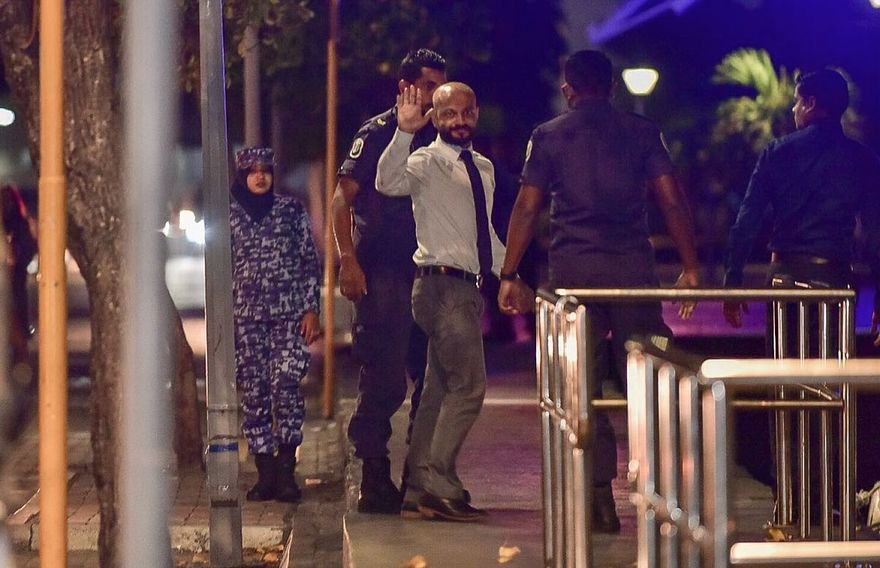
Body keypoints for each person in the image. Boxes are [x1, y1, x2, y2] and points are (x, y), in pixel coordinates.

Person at [497, 50, 700, 532]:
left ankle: (598, 498)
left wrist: (509, 273)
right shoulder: (642, 133)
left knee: (581, 389)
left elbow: (527, 207)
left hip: (574, 278)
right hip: (632, 274)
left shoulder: (547, 136)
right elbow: (671, 199)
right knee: (649, 381)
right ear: (612, 87)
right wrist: (691, 267)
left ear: (567, 89)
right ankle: (660, 491)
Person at [376, 82, 531, 522]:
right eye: (448, 114)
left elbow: (483, 235)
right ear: (436, 118)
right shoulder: (425, 161)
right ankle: (440, 486)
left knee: (438, 391)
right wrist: (404, 132)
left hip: (466, 287)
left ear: (476, 113)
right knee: (469, 388)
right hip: (440, 286)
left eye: (466, 112)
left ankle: (418, 488)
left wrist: (510, 274)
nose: (458, 121)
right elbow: (387, 182)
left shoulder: (482, 166)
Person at [721, 68, 880, 492]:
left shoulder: (778, 152)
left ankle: (788, 494)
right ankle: (830, 490)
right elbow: (875, 234)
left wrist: (732, 283)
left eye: (796, 101)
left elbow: (746, 222)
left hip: (788, 280)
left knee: (786, 385)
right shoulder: (862, 159)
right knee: (833, 385)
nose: (793, 109)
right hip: (836, 283)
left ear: (809, 103)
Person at [332, 49, 447, 514]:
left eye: (441, 86)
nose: (436, 95)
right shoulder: (378, 132)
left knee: (432, 376)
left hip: (429, 271)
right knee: (383, 376)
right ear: (405, 87)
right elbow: (341, 200)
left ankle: (419, 474)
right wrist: (348, 260)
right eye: (429, 86)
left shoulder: (442, 134)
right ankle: (374, 473)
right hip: (382, 272)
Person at [230, 147, 321, 503]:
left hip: (288, 316)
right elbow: (218, 270)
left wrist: (311, 309)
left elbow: (309, 262)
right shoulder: (228, 216)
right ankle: (264, 472)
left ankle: (286, 471)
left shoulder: (290, 211)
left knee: (286, 387)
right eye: (252, 171)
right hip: (246, 319)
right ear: (242, 175)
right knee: (254, 394)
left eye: (265, 170)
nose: (259, 176)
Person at [1, 184, 36, 367]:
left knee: (14, 315)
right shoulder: (17, 222)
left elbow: (25, 248)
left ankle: (21, 357)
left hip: (14, 282)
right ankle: (20, 357)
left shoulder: (17, 224)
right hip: (15, 281)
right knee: (15, 316)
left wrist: (15, 260)